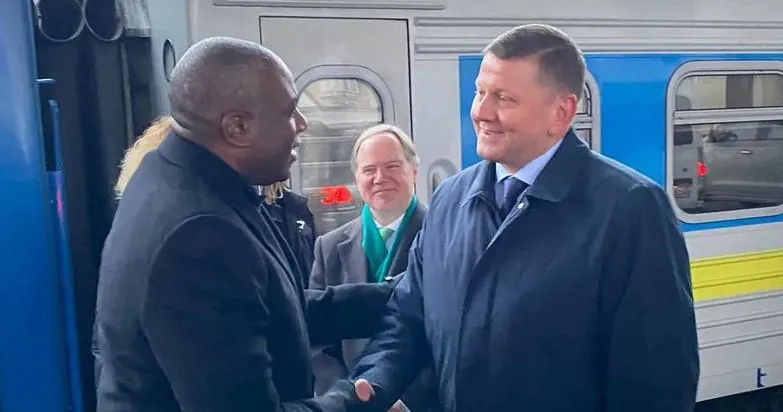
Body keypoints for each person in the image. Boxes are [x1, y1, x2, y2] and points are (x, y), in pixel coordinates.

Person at [330, 23, 700, 411]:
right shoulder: (450, 200)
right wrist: (371, 386)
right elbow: (408, 319)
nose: (481, 112)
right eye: (480, 92)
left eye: (504, 99)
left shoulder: (629, 209)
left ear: (561, 113)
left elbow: (655, 381)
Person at [94, 36, 392, 412]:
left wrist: (395, 296)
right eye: (290, 112)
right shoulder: (198, 234)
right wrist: (353, 400)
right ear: (237, 127)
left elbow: (268, 313)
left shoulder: (167, 175)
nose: (302, 124)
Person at [309, 124, 435, 412]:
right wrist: (345, 398)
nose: (380, 178)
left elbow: (450, 333)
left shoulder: (442, 237)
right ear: (357, 177)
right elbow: (319, 343)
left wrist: (408, 401)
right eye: (369, 170)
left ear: (414, 170)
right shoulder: (329, 247)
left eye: (392, 166)